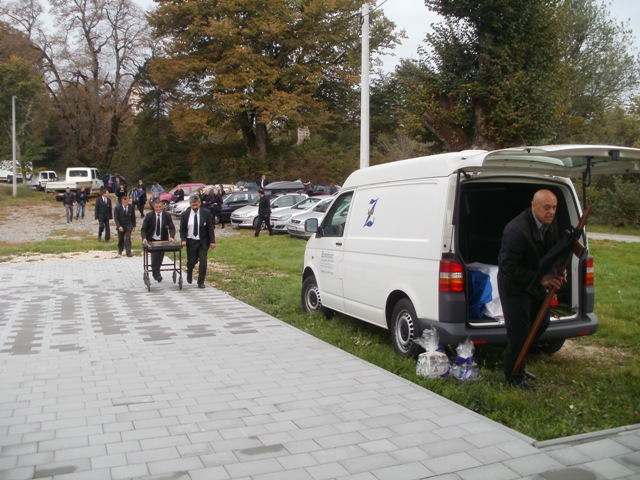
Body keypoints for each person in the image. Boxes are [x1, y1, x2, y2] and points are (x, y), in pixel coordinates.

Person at [497, 189, 566, 391]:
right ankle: (513, 376)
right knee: (519, 333)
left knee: (540, 322)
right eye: (546, 207)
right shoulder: (516, 231)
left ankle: (518, 359)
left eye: (554, 207)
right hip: (514, 285)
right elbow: (508, 267)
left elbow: (554, 252)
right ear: (533, 206)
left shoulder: (550, 224)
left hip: (536, 282)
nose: (551, 212)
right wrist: (542, 279)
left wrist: (557, 272)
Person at [180, 194, 216, 288]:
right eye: (193, 205)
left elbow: (210, 228)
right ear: (190, 204)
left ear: (199, 203)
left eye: (196, 205)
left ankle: (201, 281)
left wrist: (212, 241)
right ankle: (189, 272)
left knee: (203, 261)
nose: (195, 207)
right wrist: (183, 240)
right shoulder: (185, 215)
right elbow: (183, 229)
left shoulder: (206, 213)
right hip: (191, 241)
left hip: (203, 241)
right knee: (192, 261)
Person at [141, 198, 176, 282]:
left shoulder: (167, 215)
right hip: (152, 240)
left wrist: (171, 236)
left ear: (162, 206)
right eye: (157, 207)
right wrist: (144, 238)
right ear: (154, 207)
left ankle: (156, 271)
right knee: (155, 256)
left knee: (160, 257)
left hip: (163, 240)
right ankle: (156, 275)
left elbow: (172, 227)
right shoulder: (149, 215)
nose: (158, 209)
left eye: (160, 207)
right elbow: (144, 229)